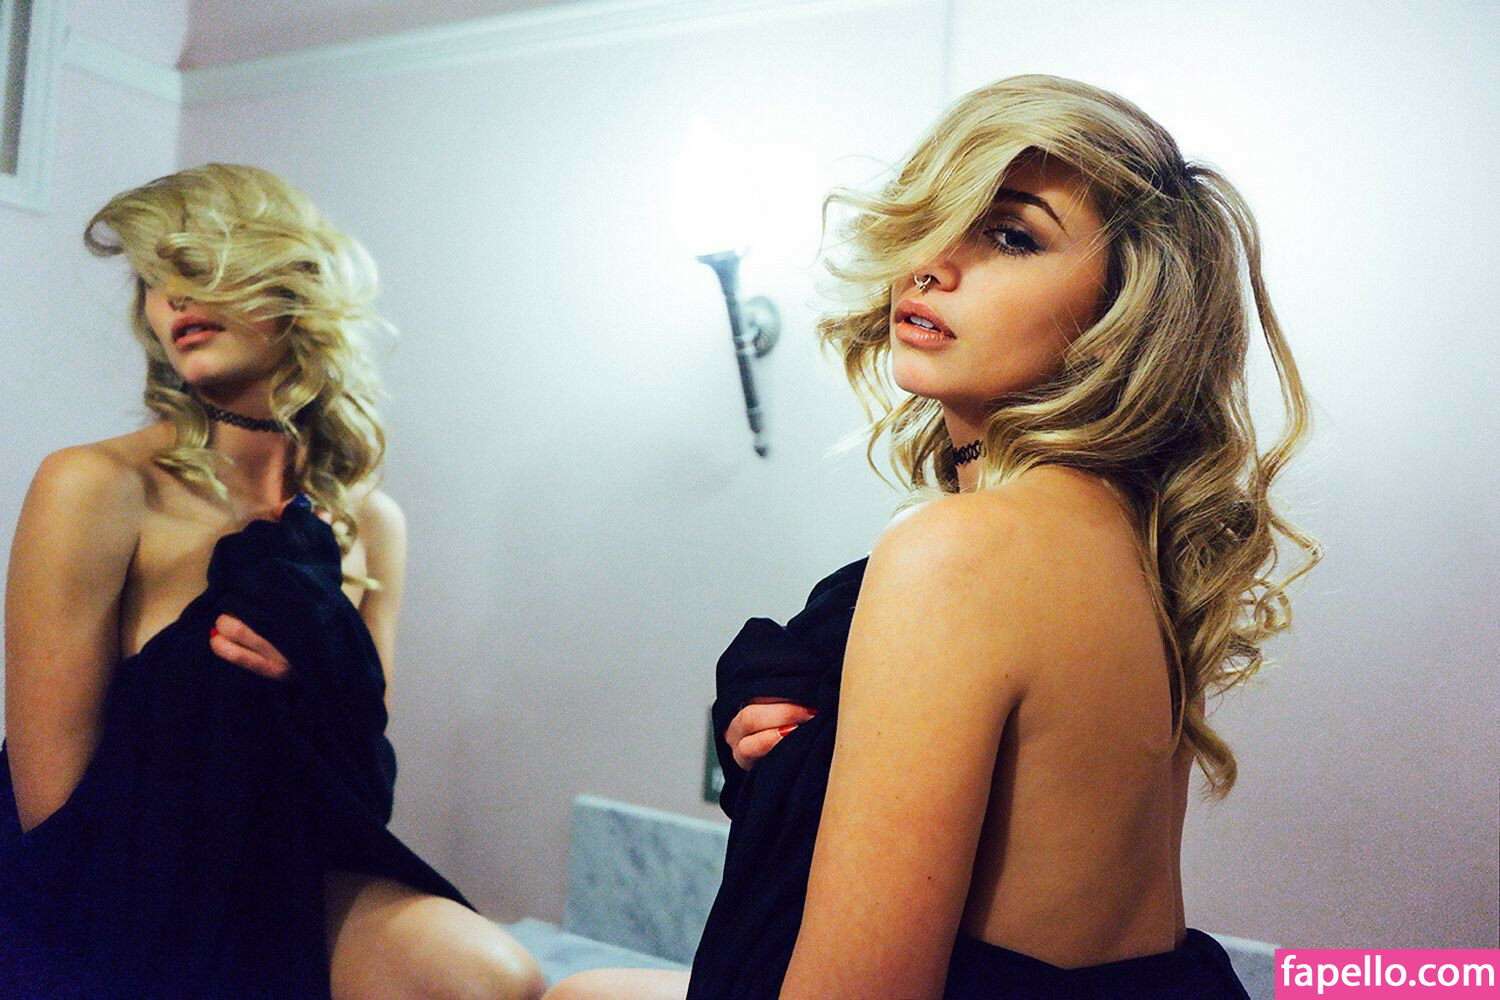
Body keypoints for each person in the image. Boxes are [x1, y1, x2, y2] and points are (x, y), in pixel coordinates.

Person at [545, 74, 1319, 999]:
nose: (934, 262)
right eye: (939, 216)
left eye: (1011, 235)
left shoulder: (958, 553)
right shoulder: (1134, 546)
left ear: (1122, 316)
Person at [0, 163, 545, 1000]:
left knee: (492, 975)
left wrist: (314, 679)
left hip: (289, 861)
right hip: (112, 887)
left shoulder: (369, 525)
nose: (173, 297)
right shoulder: (95, 485)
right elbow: (50, 814)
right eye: (154, 278)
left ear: (291, 276)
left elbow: (363, 786)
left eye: (199, 262)